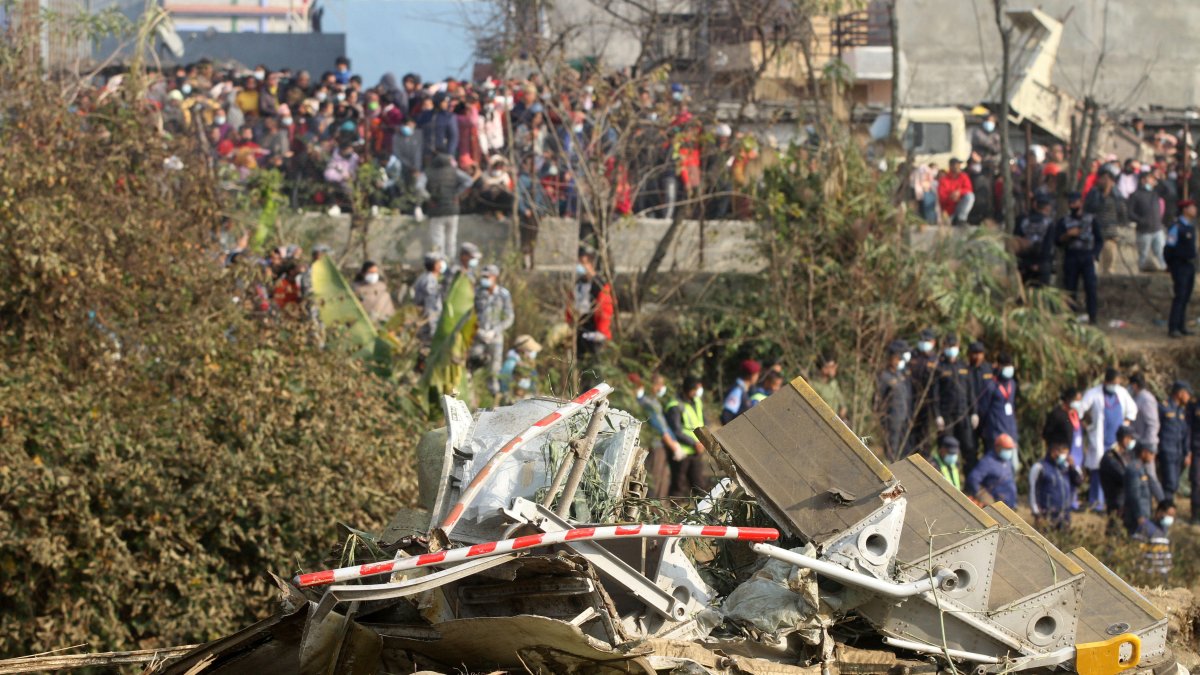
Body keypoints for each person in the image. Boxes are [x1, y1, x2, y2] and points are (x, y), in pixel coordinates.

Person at [1082, 368, 1138, 511]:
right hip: (1100, 440)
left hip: (1116, 441)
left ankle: (1109, 502)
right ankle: (1096, 502)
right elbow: (1080, 410)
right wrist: (1087, 426)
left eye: (1117, 383)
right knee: (1098, 470)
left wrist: (1126, 423)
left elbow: (1132, 409)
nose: (1115, 386)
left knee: (1115, 470)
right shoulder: (1093, 394)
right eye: (1113, 383)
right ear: (1106, 381)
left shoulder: (1121, 393)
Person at [631, 372, 682, 499]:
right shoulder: (647, 403)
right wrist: (673, 445)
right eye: (658, 384)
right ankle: (652, 507)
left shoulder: (654, 402)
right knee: (654, 479)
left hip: (661, 445)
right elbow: (658, 427)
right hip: (655, 445)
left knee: (663, 478)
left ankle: (660, 507)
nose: (661, 388)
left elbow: (664, 425)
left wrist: (674, 442)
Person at [1056, 191, 1103, 324]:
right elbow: (1057, 241)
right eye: (1070, 203)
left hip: (1087, 256)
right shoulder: (1064, 221)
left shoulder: (1091, 219)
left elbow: (1099, 240)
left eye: (1075, 202)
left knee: (1090, 287)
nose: (1072, 205)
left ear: (1081, 203)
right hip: (1071, 256)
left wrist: (1095, 254)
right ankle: (1071, 316)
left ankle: (1092, 316)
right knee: (1070, 288)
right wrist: (1068, 235)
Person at [933, 335, 978, 470]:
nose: (952, 349)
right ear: (944, 347)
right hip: (947, 416)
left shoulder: (964, 366)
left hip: (963, 414)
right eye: (949, 346)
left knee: (969, 447)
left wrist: (974, 412)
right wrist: (937, 415)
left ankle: (969, 479)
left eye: (954, 346)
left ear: (958, 347)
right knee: (947, 447)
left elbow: (971, 392)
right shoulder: (940, 367)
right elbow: (935, 394)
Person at [472, 264, 514, 395]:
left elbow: (509, 317)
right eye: (483, 276)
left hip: (495, 338)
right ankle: (474, 394)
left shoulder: (503, 294)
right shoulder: (476, 293)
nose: (485, 279)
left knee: (494, 370)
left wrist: (495, 330)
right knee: (474, 362)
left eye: (487, 276)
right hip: (478, 336)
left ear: (495, 277)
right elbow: (470, 315)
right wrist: (478, 330)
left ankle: (494, 396)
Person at [568, 246, 614, 366]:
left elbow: (606, 309)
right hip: (579, 326)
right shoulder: (578, 283)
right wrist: (569, 323)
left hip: (595, 330)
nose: (580, 266)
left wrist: (601, 331)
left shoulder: (600, 285)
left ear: (591, 264)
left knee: (595, 365)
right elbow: (571, 303)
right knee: (580, 362)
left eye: (583, 263)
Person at [664, 375, 707, 497]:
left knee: (699, 486)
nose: (698, 391)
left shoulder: (697, 402)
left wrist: (704, 441)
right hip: (682, 452)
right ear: (690, 389)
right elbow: (675, 431)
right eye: (697, 388)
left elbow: (703, 422)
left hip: (696, 451)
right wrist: (694, 443)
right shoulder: (675, 406)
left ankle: (705, 509)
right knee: (678, 486)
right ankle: (673, 508)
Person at [424, 153, 474, 256]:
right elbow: (469, 181)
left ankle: (439, 263)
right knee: (451, 240)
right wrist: (457, 193)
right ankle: (451, 262)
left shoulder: (428, 173)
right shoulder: (454, 172)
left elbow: (418, 186)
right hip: (453, 209)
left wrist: (428, 197)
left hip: (436, 210)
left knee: (438, 240)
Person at [1085, 167, 1129, 275]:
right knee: (1094, 263)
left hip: (1111, 233)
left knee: (1109, 264)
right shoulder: (1094, 193)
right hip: (1095, 233)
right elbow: (1089, 208)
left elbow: (1122, 212)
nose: (1104, 181)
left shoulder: (1116, 195)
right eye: (1102, 178)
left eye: (1107, 179)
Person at [1029, 442, 1082, 530]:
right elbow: (1033, 491)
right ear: (1054, 452)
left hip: (1064, 516)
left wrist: (1073, 466)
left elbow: (1079, 481)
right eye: (1063, 453)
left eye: (1066, 454)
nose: (1065, 457)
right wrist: (1036, 513)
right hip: (1047, 516)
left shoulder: (1066, 467)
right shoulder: (1040, 467)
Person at [1164, 199, 1197, 338]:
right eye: (1192, 207)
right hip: (1179, 265)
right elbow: (1169, 248)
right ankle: (1173, 327)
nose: (1195, 210)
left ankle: (1182, 326)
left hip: (1190, 265)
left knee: (1186, 296)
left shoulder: (1190, 227)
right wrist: (1171, 265)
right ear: (1185, 210)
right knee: (1180, 296)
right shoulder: (1177, 227)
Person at [875, 340, 913, 461]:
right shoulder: (884, 377)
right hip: (892, 420)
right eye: (897, 358)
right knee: (892, 452)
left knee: (903, 451)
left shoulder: (900, 375)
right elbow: (878, 400)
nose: (899, 362)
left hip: (903, 418)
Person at [978, 353, 1019, 466]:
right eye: (1006, 365)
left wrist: (1014, 434)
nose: (1009, 368)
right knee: (994, 466)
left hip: (1010, 432)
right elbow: (983, 410)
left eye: (1010, 365)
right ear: (998, 366)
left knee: (1013, 466)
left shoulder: (1012, 384)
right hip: (995, 434)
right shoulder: (991, 384)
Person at [1157, 381, 1192, 502]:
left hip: (1179, 452)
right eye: (1187, 393)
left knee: (1175, 483)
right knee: (1170, 483)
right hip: (1167, 451)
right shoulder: (1163, 407)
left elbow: (1185, 433)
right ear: (1180, 393)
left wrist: (1187, 452)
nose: (1188, 397)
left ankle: (1167, 506)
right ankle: (1166, 507)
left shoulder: (1182, 411)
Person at [967, 432, 1018, 508]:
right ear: (997, 447)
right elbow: (973, 479)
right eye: (1007, 448)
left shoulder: (1007, 461)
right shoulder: (987, 461)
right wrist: (982, 496)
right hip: (996, 507)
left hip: (1009, 505)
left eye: (1010, 449)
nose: (1009, 451)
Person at [1015, 193, 1056, 287]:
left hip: (1024, 263)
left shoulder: (1022, 220)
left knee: (1025, 290)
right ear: (1047, 207)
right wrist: (1039, 264)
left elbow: (1017, 241)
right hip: (1041, 264)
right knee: (1042, 291)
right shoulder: (1049, 223)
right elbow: (1048, 246)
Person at [1123, 441, 1164, 534]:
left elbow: (1154, 486)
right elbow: (1134, 495)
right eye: (1151, 453)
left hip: (1144, 514)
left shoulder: (1142, 468)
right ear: (1143, 452)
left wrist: (1164, 506)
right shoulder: (1134, 469)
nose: (1153, 456)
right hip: (1136, 517)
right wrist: (1139, 516)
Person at [909, 329, 939, 457]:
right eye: (922, 340)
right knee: (911, 434)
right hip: (912, 401)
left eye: (927, 340)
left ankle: (925, 458)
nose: (924, 343)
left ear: (933, 342)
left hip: (929, 404)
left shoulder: (936, 359)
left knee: (925, 435)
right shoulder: (912, 356)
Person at [1129, 170, 1166, 272]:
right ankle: (1142, 272)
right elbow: (1130, 213)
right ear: (1143, 180)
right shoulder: (1136, 195)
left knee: (1161, 252)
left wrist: (1159, 179)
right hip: (1144, 231)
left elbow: (1166, 190)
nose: (1152, 181)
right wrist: (1141, 220)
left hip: (1157, 229)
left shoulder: (1155, 193)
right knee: (1143, 254)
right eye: (1150, 178)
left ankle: (1163, 270)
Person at [1099, 426, 1135, 529]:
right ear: (1123, 438)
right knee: (1115, 529)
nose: (1131, 441)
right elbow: (1123, 475)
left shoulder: (1128, 454)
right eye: (1129, 438)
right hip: (1116, 500)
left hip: (1126, 500)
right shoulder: (1110, 457)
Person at [1133, 500, 1176, 583]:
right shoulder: (1146, 527)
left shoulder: (1165, 530)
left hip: (1162, 578)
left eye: (1173, 515)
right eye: (1169, 514)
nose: (1171, 518)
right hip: (1147, 577)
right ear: (1159, 512)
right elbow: (1136, 550)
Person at [411, 252, 444, 343]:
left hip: (423, 321)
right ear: (435, 265)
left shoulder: (424, 277)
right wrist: (433, 329)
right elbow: (431, 307)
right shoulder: (430, 281)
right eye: (439, 262)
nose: (441, 265)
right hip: (428, 325)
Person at [500, 334, 540, 402]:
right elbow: (505, 382)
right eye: (530, 351)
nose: (532, 353)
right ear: (522, 350)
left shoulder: (527, 365)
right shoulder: (510, 364)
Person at [721, 359, 762, 424]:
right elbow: (726, 415)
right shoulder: (738, 390)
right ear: (751, 375)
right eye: (757, 374)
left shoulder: (743, 390)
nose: (758, 376)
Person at [1129, 374, 1160, 456]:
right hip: (1137, 443)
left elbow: (1153, 424)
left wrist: (1148, 446)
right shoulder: (1136, 397)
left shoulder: (1146, 399)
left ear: (1134, 385)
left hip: (1146, 446)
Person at [809, 353, 847, 419]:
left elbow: (840, 399)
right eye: (832, 366)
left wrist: (843, 408)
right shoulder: (813, 384)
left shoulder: (833, 382)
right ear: (823, 368)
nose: (835, 368)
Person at [938, 158, 975, 225]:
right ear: (951, 166)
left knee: (970, 196)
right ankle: (954, 220)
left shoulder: (964, 176)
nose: (958, 167)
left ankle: (961, 219)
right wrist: (951, 197)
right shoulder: (944, 180)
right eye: (956, 165)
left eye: (959, 165)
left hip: (960, 205)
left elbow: (969, 189)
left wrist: (959, 192)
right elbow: (942, 197)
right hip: (949, 210)